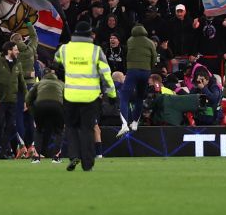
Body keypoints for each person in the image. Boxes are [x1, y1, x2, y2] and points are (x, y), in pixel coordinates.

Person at [56, 20, 116, 172]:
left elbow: (56, 60)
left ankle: (74, 155)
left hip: (70, 96)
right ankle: (87, 164)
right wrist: (112, 94)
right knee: (87, 129)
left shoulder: (64, 49)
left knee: (71, 128)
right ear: (90, 34)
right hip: (90, 97)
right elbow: (106, 74)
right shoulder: (96, 51)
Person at [120, 24, 157, 133]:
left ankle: (125, 124)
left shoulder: (130, 40)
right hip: (145, 72)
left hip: (132, 71)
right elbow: (154, 57)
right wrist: (149, 68)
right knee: (140, 98)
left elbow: (127, 55)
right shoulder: (150, 42)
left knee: (124, 97)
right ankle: (135, 123)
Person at [25, 68, 65, 162]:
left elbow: (28, 98)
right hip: (57, 105)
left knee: (39, 130)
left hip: (40, 105)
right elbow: (68, 98)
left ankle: (36, 157)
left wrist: (33, 112)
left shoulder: (39, 83)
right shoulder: (61, 83)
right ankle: (56, 156)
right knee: (59, 131)